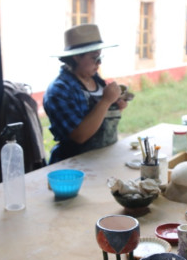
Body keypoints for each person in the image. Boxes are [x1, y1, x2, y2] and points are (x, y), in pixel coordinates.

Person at [43, 24, 129, 163]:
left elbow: (102, 121)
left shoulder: (96, 80)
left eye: (100, 57)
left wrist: (117, 106)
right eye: (95, 58)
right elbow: (79, 136)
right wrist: (106, 101)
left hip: (103, 158)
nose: (99, 63)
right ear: (76, 57)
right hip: (74, 165)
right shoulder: (59, 91)